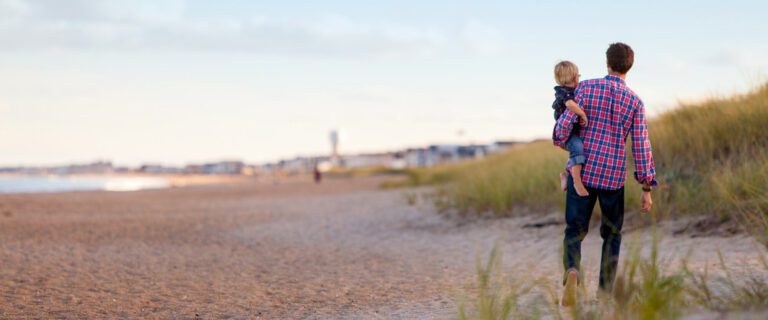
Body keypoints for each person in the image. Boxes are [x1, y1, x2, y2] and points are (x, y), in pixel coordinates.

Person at [553, 42, 657, 306]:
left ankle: (572, 271)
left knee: (574, 231)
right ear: (629, 67)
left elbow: (562, 130)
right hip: (612, 177)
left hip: (584, 173)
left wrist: (564, 136)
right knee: (612, 234)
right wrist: (646, 188)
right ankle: (605, 292)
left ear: (607, 63)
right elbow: (641, 146)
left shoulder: (585, 88)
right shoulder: (635, 101)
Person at [552, 61, 590, 197]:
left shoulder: (573, 91)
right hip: (566, 132)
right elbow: (569, 104)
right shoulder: (564, 92)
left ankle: (566, 175)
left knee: (576, 151)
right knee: (578, 148)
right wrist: (582, 113)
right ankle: (577, 182)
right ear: (575, 77)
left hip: (572, 131)